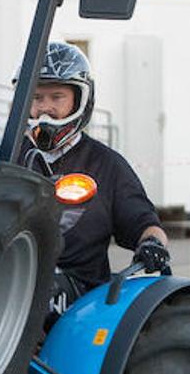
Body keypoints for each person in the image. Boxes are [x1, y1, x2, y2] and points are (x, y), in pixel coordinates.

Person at [16, 42, 170, 309]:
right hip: (14, 279)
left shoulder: (107, 164)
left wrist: (153, 244)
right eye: (37, 98)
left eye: (56, 97)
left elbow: (144, 223)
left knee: (31, 300)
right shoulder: (9, 157)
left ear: (80, 100)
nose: (45, 108)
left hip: (83, 294)